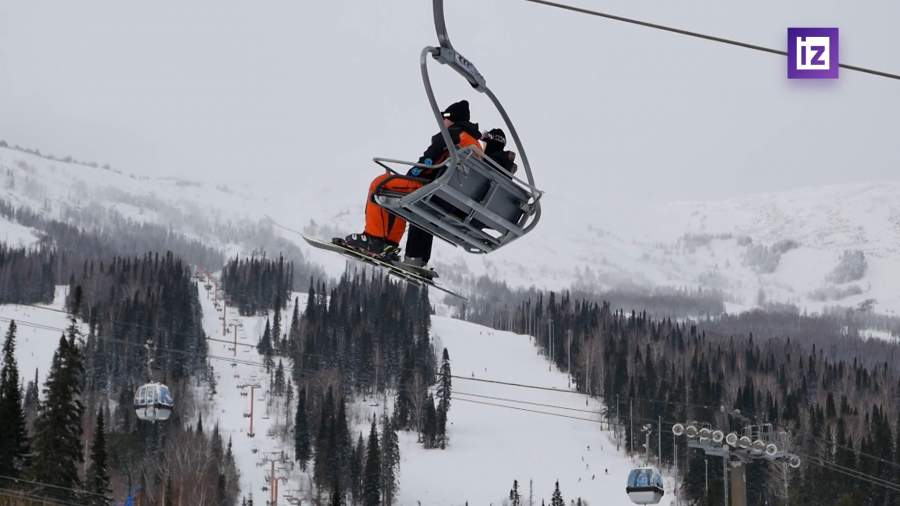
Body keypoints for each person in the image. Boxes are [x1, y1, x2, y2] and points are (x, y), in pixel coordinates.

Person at [338, 100, 483, 267]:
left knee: (380, 184)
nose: (442, 120)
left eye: (444, 117)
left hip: (436, 188)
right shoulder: (475, 144)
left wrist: (411, 175)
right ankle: (410, 256)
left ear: (452, 118)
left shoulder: (451, 134)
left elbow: (428, 160)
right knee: (412, 204)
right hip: (454, 199)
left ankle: (375, 238)